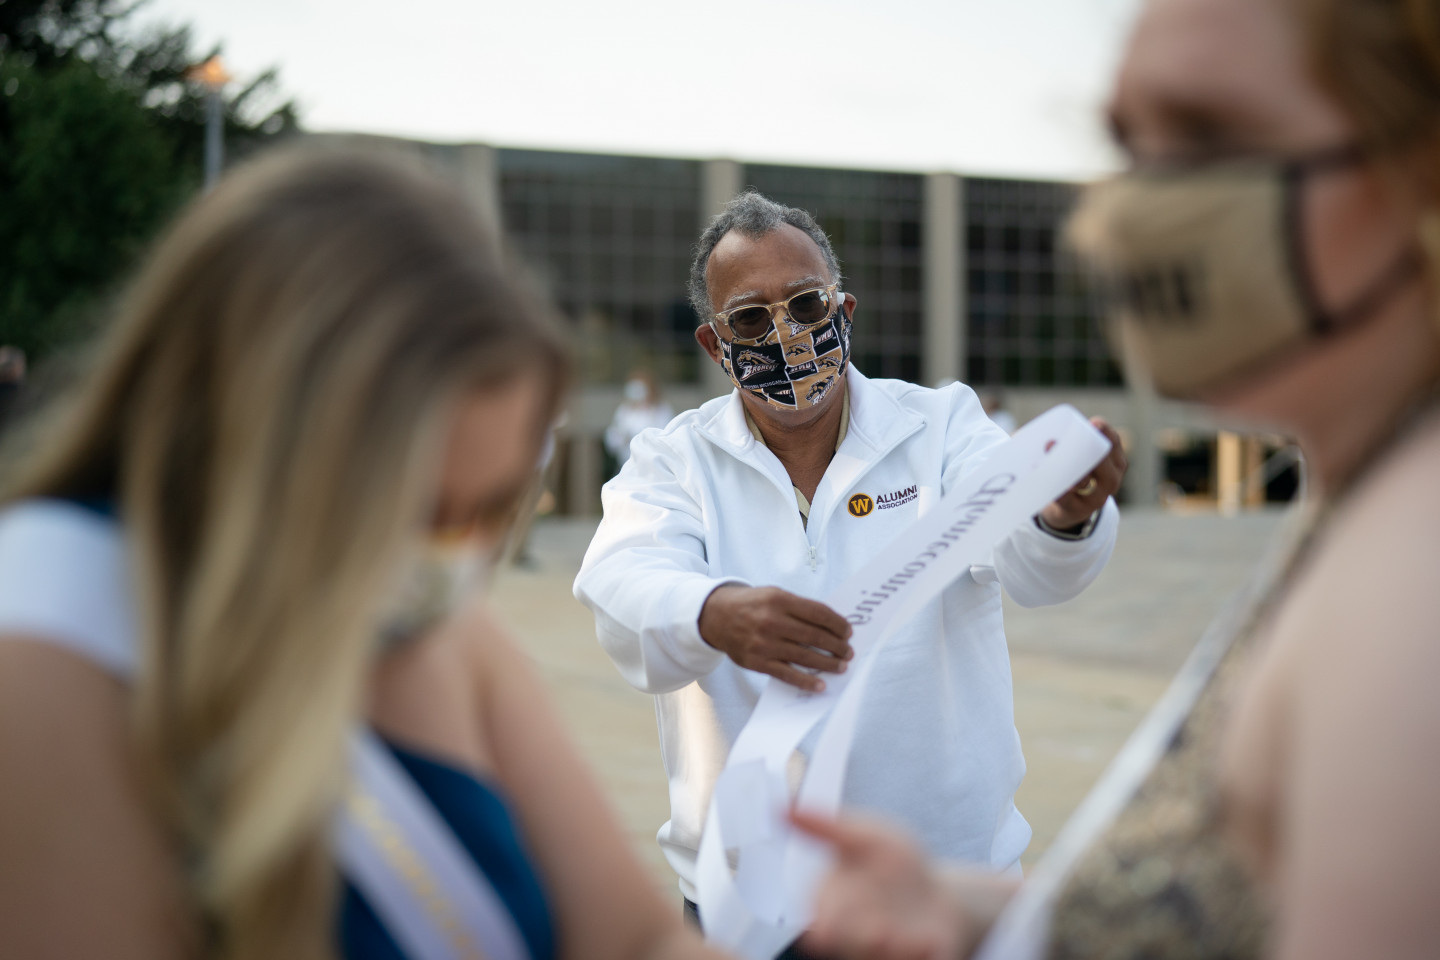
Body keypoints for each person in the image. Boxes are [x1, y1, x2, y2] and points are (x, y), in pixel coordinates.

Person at [791, 0, 1440, 957]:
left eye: (1212, 136)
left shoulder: (1413, 586)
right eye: (1126, 142)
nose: (1137, 209)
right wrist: (976, 912)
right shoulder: (1367, 492)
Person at [0, 148, 731, 960]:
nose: (457, 558)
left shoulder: (434, 625)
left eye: (490, 509)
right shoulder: (45, 666)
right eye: (415, 512)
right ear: (254, 440)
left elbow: (638, 941)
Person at [572, 191, 1129, 954]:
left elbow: (1031, 560)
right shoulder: (673, 461)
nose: (787, 334)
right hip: (748, 905)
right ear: (713, 344)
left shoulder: (940, 428)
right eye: (750, 319)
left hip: (943, 891)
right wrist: (714, 611)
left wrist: (1060, 514)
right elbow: (623, 581)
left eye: (806, 304)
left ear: (846, 309)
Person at [604, 370, 674, 469]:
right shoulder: (624, 410)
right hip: (627, 465)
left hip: (653, 466)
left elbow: (665, 437)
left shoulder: (662, 410)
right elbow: (613, 440)